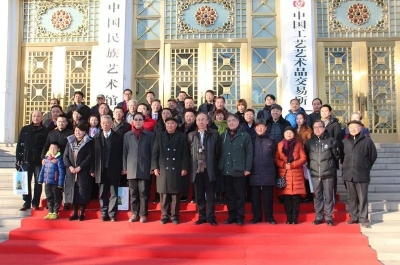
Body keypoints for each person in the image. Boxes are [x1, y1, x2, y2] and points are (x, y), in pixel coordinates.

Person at [151, 117, 190, 225]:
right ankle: (164, 216)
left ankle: (175, 216)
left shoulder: (182, 136)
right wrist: (154, 167)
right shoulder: (159, 136)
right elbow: (155, 153)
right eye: (168, 123)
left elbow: (185, 154)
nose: (170, 125)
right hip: (163, 168)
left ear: (176, 125)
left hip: (176, 168)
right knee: (163, 194)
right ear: (165, 124)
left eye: (172, 123)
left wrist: (184, 167)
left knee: (175, 195)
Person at [219, 114, 253, 226]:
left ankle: (240, 217)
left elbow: (249, 153)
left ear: (238, 122)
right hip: (227, 170)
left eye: (233, 120)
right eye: (229, 121)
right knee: (229, 196)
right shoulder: (223, 135)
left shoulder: (245, 135)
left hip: (239, 170)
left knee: (239, 195)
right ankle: (231, 216)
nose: (231, 123)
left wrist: (248, 168)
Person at [342, 120, 377, 228]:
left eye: (355, 127)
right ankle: (353, 217)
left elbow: (373, 156)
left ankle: (363, 218)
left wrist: (366, 167)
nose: (353, 129)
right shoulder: (344, 141)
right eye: (351, 127)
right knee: (351, 198)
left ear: (360, 128)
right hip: (348, 174)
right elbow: (341, 157)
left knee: (362, 197)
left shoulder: (367, 141)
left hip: (362, 174)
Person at [305, 120, 340, 226]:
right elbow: (307, 156)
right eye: (315, 127)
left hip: (328, 173)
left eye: (319, 127)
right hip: (315, 174)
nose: (317, 129)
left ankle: (329, 217)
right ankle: (319, 217)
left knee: (329, 196)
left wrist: (331, 167)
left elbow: (336, 156)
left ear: (324, 128)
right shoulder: (309, 142)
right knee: (317, 196)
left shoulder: (331, 141)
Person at [123, 112, 155, 223]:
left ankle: (143, 214)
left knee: (143, 193)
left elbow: (153, 152)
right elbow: (124, 152)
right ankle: (134, 214)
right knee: (134, 193)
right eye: (135, 119)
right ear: (132, 121)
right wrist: (124, 167)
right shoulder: (127, 135)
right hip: (131, 168)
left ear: (143, 121)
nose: (137, 121)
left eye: (140, 119)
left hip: (145, 168)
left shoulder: (150, 135)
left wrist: (152, 167)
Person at [188, 113, 219, 226]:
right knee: (199, 195)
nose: (201, 122)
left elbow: (218, 152)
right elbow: (188, 154)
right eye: (198, 120)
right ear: (196, 122)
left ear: (207, 121)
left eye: (203, 120)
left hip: (209, 169)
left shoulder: (214, 134)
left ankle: (211, 217)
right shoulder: (191, 135)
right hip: (197, 170)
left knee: (210, 195)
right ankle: (201, 216)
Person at [91, 115, 124, 222]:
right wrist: (92, 169)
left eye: (108, 123)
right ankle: (104, 213)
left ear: (111, 124)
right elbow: (93, 155)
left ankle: (112, 214)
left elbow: (122, 153)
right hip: (100, 169)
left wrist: (122, 167)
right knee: (102, 193)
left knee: (114, 192)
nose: (105, 125)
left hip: (114, 168)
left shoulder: (118, 136)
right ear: (100, 124)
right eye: (103, 123)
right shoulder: (96, 137)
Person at [16, 110, 48, 211]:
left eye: (38, 116)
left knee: (38, 183)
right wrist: (18, 159)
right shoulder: (25, 129)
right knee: (24, 182)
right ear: (31, 117)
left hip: (39, 161)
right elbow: (20, 145)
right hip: (26, 161)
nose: (36, 118)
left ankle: (35, 203)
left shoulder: (45, 131)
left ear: (41, 117)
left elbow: (46, 146)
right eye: (34, 116)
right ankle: (26, 202)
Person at [274, 126, 307, 224]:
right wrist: (284, 165)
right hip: (284, 174)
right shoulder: (279, 145)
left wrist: (292, 165)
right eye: (287, 132)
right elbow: (276, 159)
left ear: (294, 134)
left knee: (296, 198)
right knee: (287, 198)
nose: (289, 134)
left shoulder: (299, 144)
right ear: (284, 134)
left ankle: (294, 219)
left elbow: (303, 158)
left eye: (291, 132)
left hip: (296, 174)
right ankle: (289, 219)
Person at [249, 119, 277, 224]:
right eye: (258, 127)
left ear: (265, 128)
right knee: (255, 197)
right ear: (255, 128)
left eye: (262, 127)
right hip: (254, 171)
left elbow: (274, 155)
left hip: (268, 172)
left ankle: (269, 217)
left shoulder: (271, 140)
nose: (260, 129)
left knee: (268, 197)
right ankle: (257, 217)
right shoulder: (251, 140)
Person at [64, 123, 93, 221]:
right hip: (71, 171)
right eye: (76, 130)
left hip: (83, 171)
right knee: (74, 191)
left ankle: (82, 213)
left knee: (82, 191)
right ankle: (75, 213)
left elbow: (89, 157)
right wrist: (70, 167)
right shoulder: (70, 142)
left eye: (80, 131)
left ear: (84, 132)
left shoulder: (88, 142)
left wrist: (80, 166)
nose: (78, 132)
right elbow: (65, 156)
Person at [38, 142, 65, 220]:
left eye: (54, 148)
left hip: (55, 183)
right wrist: (40, 179)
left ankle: (55, 212)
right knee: (49, 197)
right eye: (51, 148)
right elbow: (42, 170)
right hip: (47, 182)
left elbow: (61, 171)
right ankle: (50, 211)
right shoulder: (46, 158)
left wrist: (60, 183)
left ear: (58, 149)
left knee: (56, 197)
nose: (52, 150)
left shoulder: (59, 159)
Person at [177, 108, 197, 203]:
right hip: (181, 155)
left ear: (195, 117)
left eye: (191, 116)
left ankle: (194, 195)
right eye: (187, 116)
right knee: (183, 176)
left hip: (194, 155)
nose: (189, 118)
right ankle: (184, 194)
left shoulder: (197, 128)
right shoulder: (179, 128)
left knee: (195, 176)